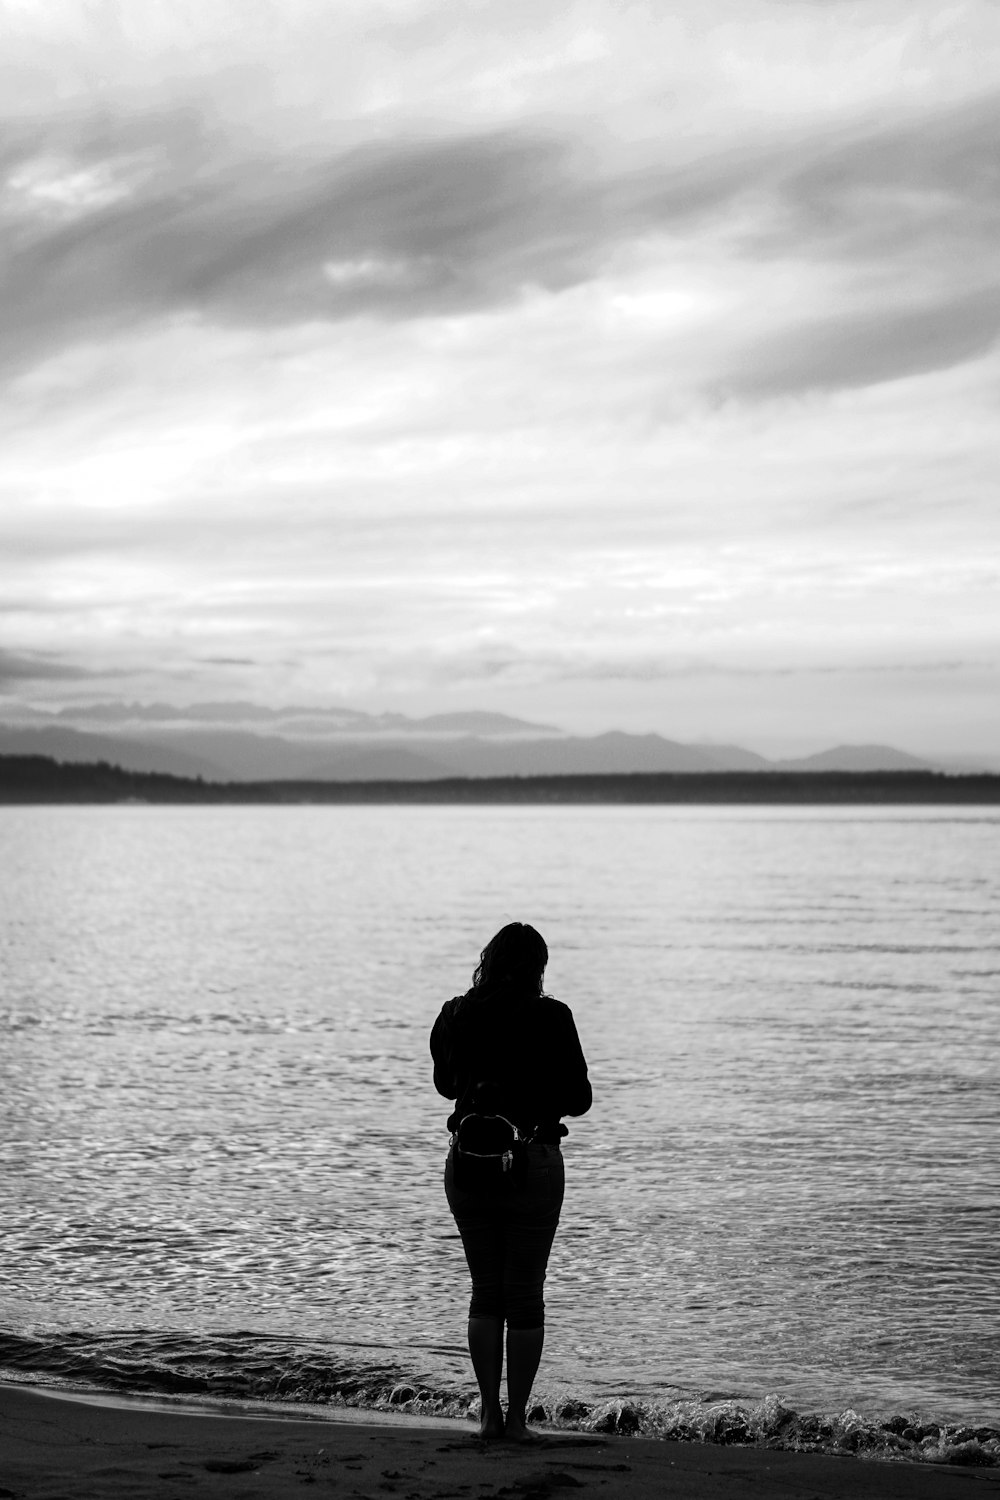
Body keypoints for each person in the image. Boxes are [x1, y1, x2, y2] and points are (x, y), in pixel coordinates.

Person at [430, 922, 591, 1441]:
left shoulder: (455, 1013)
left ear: (487, 960)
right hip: (534, 1162)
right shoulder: (554, 1017)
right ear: (538, 969)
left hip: (470, 1160)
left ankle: (486, 1415)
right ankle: (518, 1420)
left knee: (485, 1293)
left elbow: (443, 1084)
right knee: (524, 1297)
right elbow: (580, 1099)